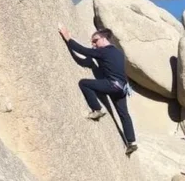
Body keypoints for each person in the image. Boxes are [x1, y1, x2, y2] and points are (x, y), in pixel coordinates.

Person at [58, 25, 138, 155]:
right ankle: (132, 142)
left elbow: (82, 52)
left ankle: (97, 109)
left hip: (112, 85)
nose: (94, 44)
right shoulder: (118, 52)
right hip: (123, 88)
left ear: (104, 39)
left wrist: (68, 38)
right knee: (124, 114)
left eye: (95, 41)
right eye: (92, 42)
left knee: (84, 83)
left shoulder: (103, 51)